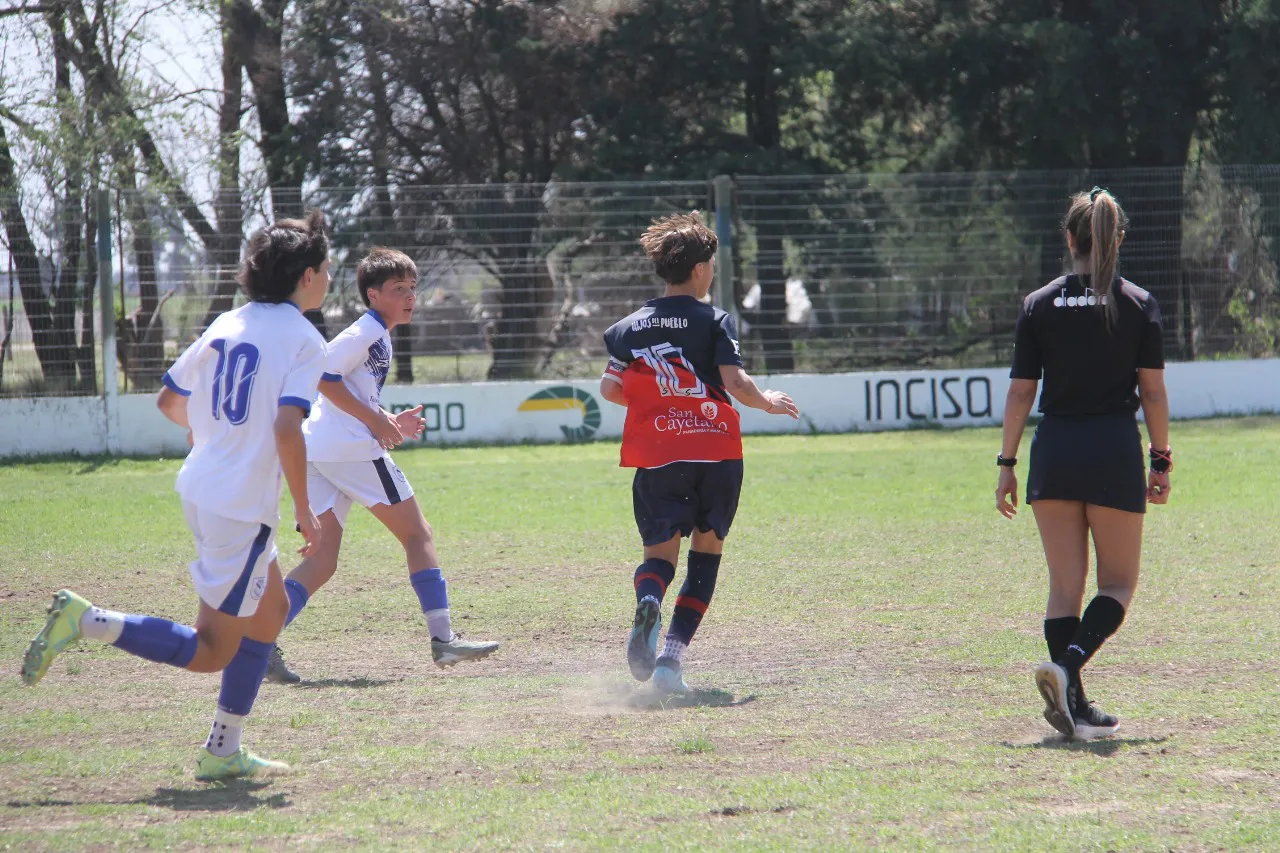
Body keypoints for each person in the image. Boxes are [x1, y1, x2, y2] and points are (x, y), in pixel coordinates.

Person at [21, 211, 332, 779]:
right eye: (327, 269)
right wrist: (307, 511)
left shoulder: (227, 323)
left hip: (205, 484)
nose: (329, 278)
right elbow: (288, 429)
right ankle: (87, 621)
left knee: (273, 612)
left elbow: (169, 402)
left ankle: (223, 751)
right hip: (239, 505)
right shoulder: (307, 340)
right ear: (308, 276)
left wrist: (213, 433)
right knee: (213, 650)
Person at [266, 247, 498, 683]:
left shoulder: (377, 332)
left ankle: (259, 642)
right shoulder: (365, 332)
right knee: (417, 534)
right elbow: (322, 376)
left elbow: (344, 392)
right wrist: (374, 421)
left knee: (323, 559)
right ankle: (444, 640)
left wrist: (388, 419)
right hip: (351, 452)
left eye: (412, 288)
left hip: (319, 451)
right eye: (398, 290)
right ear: (373, 295)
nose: (409, 296)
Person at [996, 188, 1172, 739]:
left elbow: (1022, 393)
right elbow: (1154, 393)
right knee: (1117, 585)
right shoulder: (1138, 303)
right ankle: (1068, 669)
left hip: (1055, 455)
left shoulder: (1038, 304)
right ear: (1116, 240)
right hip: (1111, 452)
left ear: (1068, 240)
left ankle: (1074, 708)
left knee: (1063, 587)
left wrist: (1006, 462)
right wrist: (1161, 459)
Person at [599, 212, 799, 694]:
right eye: (710, 263)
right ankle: (669, 665)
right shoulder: (714, 320)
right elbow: (734, 382)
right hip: (715, 452)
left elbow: (610, 388)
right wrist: (766, 402)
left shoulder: (626, 328)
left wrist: (658, 401)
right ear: (700, 269)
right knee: (705, 557)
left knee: (659, 558)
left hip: (658, 453)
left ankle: (649, 600)